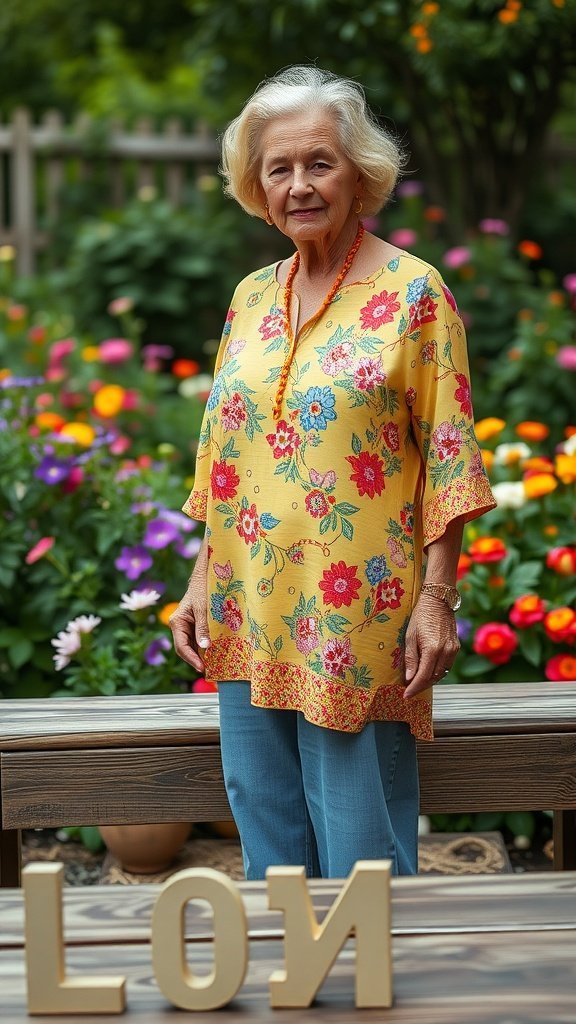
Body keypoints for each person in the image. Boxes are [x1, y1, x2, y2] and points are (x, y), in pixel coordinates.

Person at [170, 66, 495, 880]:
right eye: (277, 168)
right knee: (265, 822)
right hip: (248, 611)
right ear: (256, 185)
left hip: (358, 616)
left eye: (319, 162)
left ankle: (371, 1004)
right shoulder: (250, 298)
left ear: (361, 173)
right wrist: (201, 576)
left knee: (360, 844)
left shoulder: (413, 294)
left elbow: (448, 458)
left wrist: (436, 598)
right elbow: (227, 456)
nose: (299, 185)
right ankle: (292, 994)